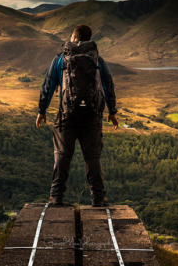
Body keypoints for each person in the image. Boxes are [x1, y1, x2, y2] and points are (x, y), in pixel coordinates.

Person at [36, 24, 118, 207]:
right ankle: (98, 198)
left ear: (73, 37)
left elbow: (48, 86)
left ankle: (56, 197)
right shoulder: (98, 60)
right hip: (92, 117)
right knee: (92, 157)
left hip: (67, 116)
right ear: (89, 39)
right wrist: (112, 112)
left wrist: (42, 111)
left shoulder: (60, 60)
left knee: (62, 155)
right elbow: (108, 86)